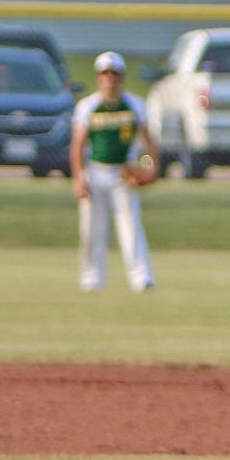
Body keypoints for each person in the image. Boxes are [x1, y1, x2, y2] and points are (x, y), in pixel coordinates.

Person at [71, 51, 158, 293]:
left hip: (123, 174)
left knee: (130, 226)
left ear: (122, 77)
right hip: (95, 171)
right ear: (99, 77)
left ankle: (141, 277)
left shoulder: (134, 105)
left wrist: (149, 168)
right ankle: (92, 277)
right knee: (91, 229)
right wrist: (78, 178)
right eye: (105, 74)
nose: (110, 79)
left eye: (115, 74)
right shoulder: (88, 106)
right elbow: (78, 146)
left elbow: (148, 143)